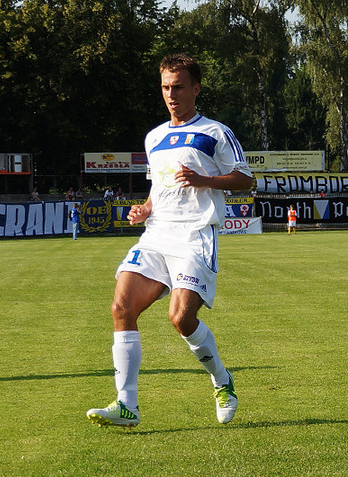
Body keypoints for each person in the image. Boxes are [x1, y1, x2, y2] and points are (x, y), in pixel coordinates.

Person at [86, 54, 253, 428]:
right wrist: (144, 209)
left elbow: (246, 179)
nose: (171, 94)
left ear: (195, 89)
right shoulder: (155, 137)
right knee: (121, 307)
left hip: (194, 236)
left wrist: (204, 180)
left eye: (178, 86)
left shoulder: (215, 133)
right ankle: (127, 405)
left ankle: (222, 381)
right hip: (157, 234)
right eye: (165, 87)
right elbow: (158, 188)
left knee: (180, 318)